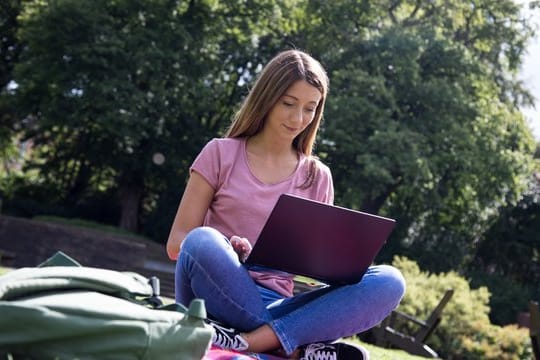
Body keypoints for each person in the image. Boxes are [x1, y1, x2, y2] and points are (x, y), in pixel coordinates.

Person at [166, 49, 406, 360]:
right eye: (289, 104)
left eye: (310, 109)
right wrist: (229, 249)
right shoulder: (220, 153)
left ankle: (253, 342)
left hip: (281, 305)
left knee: (390, 281)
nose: (298, 119)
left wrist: (331, 265)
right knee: (202, 241)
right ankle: (292, 348)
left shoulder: (317, 176)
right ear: (267, 98)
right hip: (217, 291)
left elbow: (313, 276)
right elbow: (177, 245)